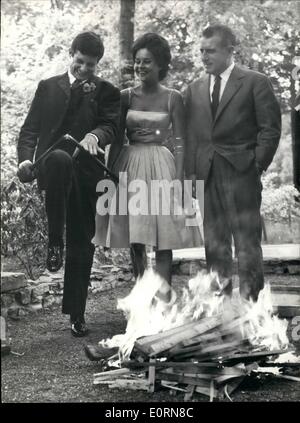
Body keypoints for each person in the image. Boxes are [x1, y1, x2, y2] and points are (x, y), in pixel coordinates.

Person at [17, 32, 120, 336]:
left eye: (91, 65)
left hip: (87, 175)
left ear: (97, 63)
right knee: (60, 159)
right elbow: (29, 131)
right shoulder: (48, 87)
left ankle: (77, 314)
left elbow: (111, 125)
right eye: (80, 61)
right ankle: (53, 240)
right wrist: (25, 160)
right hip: (52, 167)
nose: (84, 69)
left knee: (83, 241)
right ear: (71, 54)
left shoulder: (106, 91)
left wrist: (95, 136)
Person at [93, 32, 201, 303]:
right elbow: (116, 140)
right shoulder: (125, 97)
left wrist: (179, 181)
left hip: (163, 168)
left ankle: (164, 298)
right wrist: (111, 176)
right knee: (136, 236)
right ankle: (142, 294)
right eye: (137, 61)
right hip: (130, 167)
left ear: (161, 64)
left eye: (148, 62)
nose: (141, 67)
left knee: (164, 238)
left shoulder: (173, 97)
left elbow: (180, 142)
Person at [185, 24, 281, 301]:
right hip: (207, 174)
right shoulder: (194, 89)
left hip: (243, 174)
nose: (204, 57)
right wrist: (192, 174)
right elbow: (191, 137)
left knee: (246, 243)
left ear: (230, 50)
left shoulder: (255, 82)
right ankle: (221, 305)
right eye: (202, 51)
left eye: (211, 51)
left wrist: (257, 165)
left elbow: (270, 129)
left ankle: (251, 307)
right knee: (214, 244)